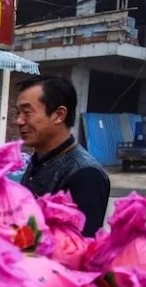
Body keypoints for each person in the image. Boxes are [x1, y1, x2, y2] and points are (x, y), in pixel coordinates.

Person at [16, 75, 110, 237]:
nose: (19, 121)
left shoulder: (85, 174)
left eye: (27, 112)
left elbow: (80, 249)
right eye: (18, 113)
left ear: (59, 115)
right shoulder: (38, 160)